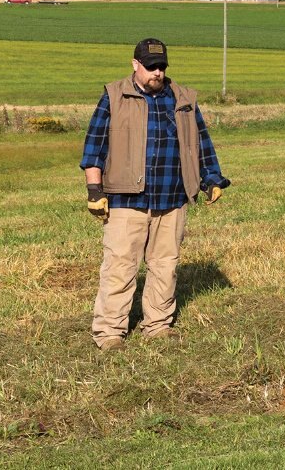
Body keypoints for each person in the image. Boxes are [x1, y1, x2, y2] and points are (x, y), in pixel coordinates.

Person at [80, 37, 230, 351]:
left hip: (171, 196)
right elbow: (94, 146)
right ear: (135, 65)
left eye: (161, 67)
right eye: (150, 67)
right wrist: (94, 190)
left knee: (165, 265)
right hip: (126, 197)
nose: (157, 73)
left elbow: (201, 142)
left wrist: (211, 178)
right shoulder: (114, 95)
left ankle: (158, 325)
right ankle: (109, 333)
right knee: (120, 266)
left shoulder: (183, 98)